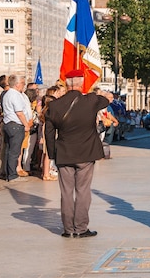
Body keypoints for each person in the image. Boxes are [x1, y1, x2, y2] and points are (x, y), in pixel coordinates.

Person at [44, 70, 109, 238]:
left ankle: (68, 229)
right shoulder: (91, 101)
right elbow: (106, 99)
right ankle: (81, 227)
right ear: (81, 84)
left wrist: (52, 155)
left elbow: (49, 133)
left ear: (66, 84)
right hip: (86, 153)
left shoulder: (55, 105)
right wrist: (96, 92)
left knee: (66, 192)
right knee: (83, 191)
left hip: (64, 153)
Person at [2, 75, 32, 182]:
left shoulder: (8, 94)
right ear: (17, 84)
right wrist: (26, 124)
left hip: (8, 124)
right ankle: (12, 175)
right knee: (14, 151)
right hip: (16, 124)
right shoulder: (15, 95)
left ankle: (7, 173)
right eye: (23, 83)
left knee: (9, 150)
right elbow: (19, 112)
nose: (23, 85)